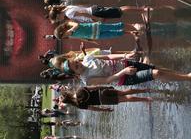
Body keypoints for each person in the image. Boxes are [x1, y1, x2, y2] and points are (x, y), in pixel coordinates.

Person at [49, 51, 191, 87]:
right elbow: (108, 79)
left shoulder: (87, 58)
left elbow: (109, 57)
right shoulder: (87, 80)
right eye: (77, 67)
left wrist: (125, 55)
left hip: (126, 63)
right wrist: (124, 72)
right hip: (125, 77)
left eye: (77, 63)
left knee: (157, 69)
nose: (80, 65)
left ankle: (183, 75)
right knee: (157, 73)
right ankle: (188, 77)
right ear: (75, 74)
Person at [47, 4, 149, 24]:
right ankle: (141, 11)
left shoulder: (68, 14)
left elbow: (83, 13)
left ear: (58, 15)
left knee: (119, 10)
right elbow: (82, 6)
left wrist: (96, 19)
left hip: (94, 13)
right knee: (118, 11)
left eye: (57, 19)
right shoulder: (67, 7)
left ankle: (143, 10)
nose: (59, 21)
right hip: (93, 10)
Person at [53, 20, 140, 41]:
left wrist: (71, 30)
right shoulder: (69, 35)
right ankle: (131, 33)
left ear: (62, 31)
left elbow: (77, 24)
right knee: (114, 34)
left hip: (96, 27)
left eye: (63, 36)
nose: (65, 37)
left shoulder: (68, 24)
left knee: (114, 26)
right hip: (95, 36)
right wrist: (88, 40)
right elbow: (80, 37)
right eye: (63, 37)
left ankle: (133, 25)